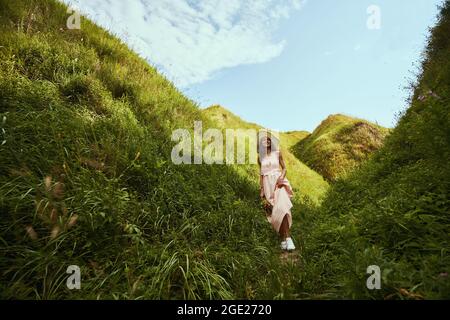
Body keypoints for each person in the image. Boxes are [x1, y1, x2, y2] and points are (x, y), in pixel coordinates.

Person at [258, 133, 295, 251]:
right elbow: (261, 174)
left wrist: (281, 178)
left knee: (283, 207)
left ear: (271, 141)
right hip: (267, 184)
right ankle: (283, 239)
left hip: (279, 182)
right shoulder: (260, 157)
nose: (266, 141)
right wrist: (262, 190)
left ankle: (288, 239)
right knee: (275, 211)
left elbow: (284, 168)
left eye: (268, 139)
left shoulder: (277, 152)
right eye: (263, 140)